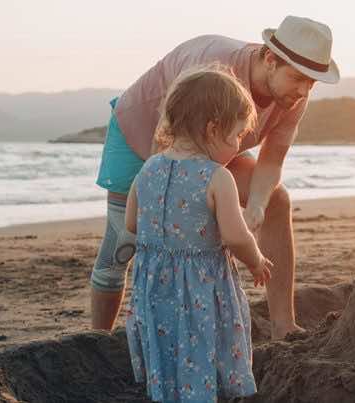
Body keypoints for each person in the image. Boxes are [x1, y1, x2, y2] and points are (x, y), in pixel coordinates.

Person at [90, 15, 340, 339]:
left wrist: (257, 206)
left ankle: (284, 326)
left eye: (312, 83)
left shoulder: (293, 97)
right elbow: (166, 139)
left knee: (276, 199)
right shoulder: (213, 66)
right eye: (298, 78)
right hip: (143, 133)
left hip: (215, 148)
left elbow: (272, 160)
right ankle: (98, 338)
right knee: (121, 246)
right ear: (269, 59)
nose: (304, 91)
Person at [124, 67, 273, 402]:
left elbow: (132, 222)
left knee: (168, 349)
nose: (239, 145)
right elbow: (236, 236)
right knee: (203, 343)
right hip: (200, 289)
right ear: (212, 129)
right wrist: (256, 260)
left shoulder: (148, 168)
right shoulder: (217, 177)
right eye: (237, 135)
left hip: (154, 287)